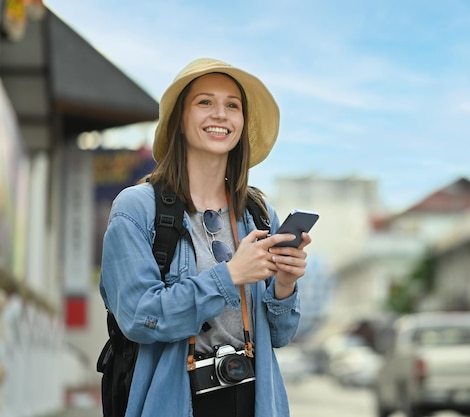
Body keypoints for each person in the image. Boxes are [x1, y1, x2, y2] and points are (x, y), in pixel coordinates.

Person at [99, 57, 312, 417]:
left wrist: (285, 284)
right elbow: (139, 317)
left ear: (243, 124)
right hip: (173, 401)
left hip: (254, 399)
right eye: (205, 102)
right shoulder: (136, 209)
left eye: (233, 105)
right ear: (179, 119)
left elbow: (279, 335)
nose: (220, 114)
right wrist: (229, 277)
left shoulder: (259, 214)